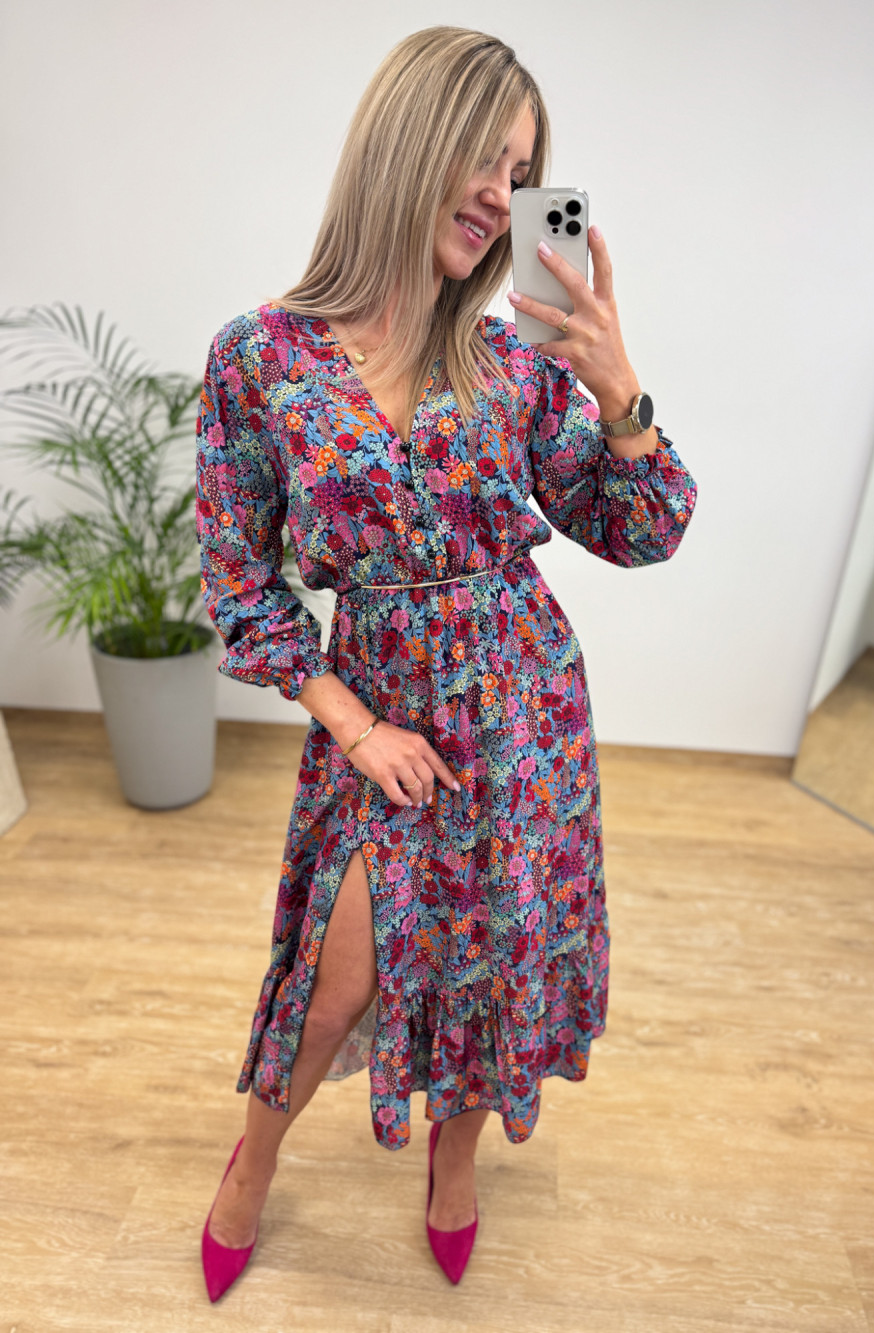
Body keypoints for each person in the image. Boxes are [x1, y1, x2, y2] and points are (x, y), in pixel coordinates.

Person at [195, 25, 697, 1301]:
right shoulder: (260, 358)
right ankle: (252, 1161)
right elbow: (242, 586)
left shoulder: (516, 358)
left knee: (493, 956)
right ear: (408, 138)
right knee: (333, 979)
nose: (500, 193)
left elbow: (641, 530)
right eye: (484, 156)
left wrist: (619, 389)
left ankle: (454, 1163)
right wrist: (355, 727)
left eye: (521, 172)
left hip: (523, 714)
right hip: (377, 714)